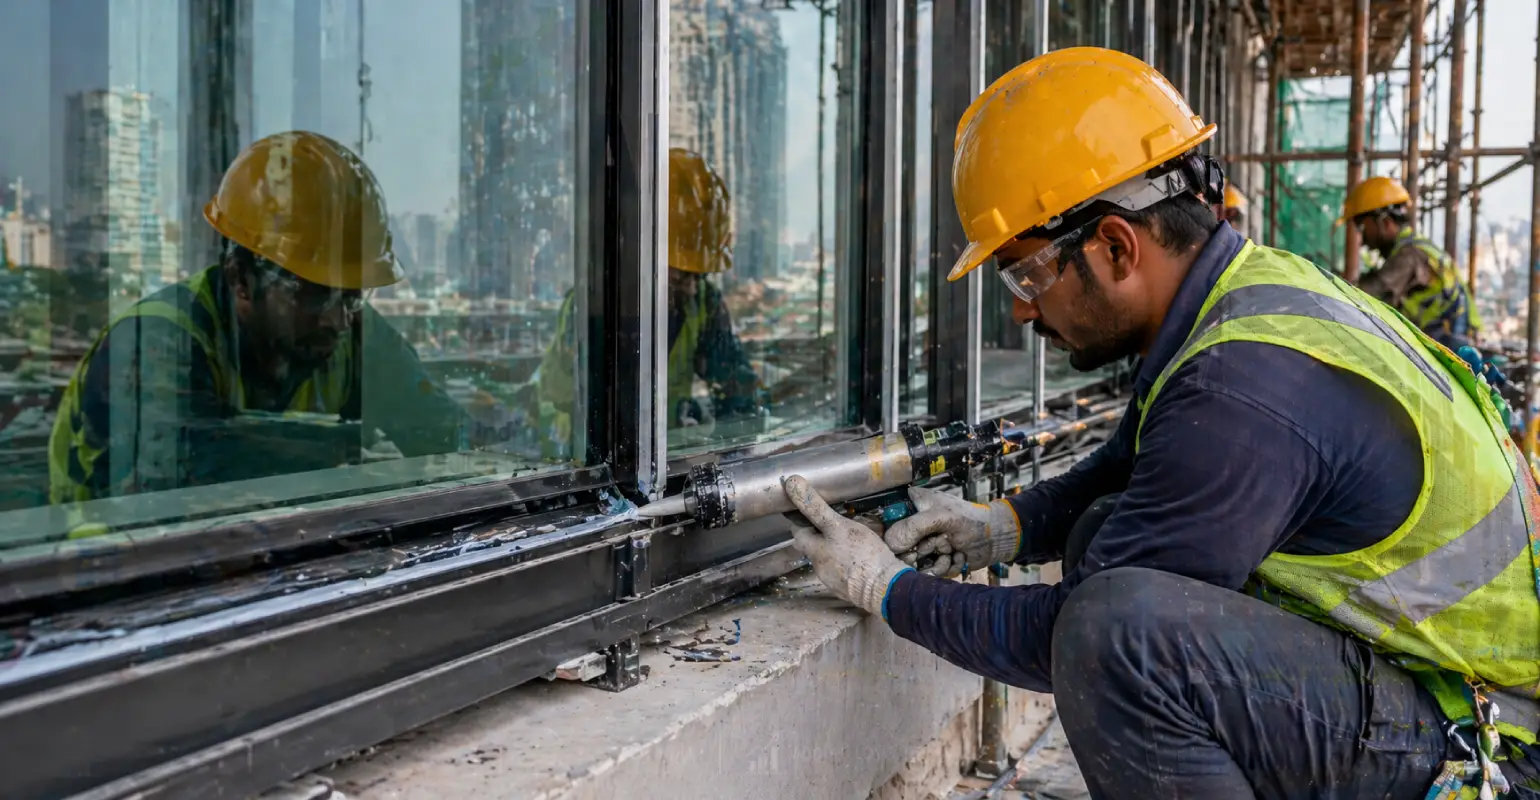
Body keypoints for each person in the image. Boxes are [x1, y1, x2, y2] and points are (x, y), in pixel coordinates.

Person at [779, 47, 1539, 799]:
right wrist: (1000, 524)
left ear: (1115, 245)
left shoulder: (1242, 390)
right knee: (1103, 535)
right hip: (1435, 681)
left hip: (1494, 738)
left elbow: (1076, 641)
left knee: (1117, 633)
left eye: (1027, 273)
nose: (1019, 309)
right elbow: (1129, 465)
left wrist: (887, 589)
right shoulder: (1241, 301)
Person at [49, 130, 483, 505]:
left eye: (352, 295)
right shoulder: (154, 342)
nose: (337, 319)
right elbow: (186, 482)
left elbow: (447, 435)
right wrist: (338, 453)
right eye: (314, 294)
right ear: (241, 279)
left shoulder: (353, 330)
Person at [535, 147, 761, 457]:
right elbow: (561, 400)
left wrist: (731, 436)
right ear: (644, 255)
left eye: (700, 274)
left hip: (663, 462)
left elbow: (739, 390)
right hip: (582, 465)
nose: (693, 289)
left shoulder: (704, 303)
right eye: (681, 275)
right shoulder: (593, 305)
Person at [1348, 175, 1482, 349]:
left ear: (1385, 222)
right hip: (1449, 342)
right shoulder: (1416, 247)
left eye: (1363, 228)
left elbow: (1364, 295)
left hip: (1448, 347)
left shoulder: (1409, 255)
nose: (1362, 239)